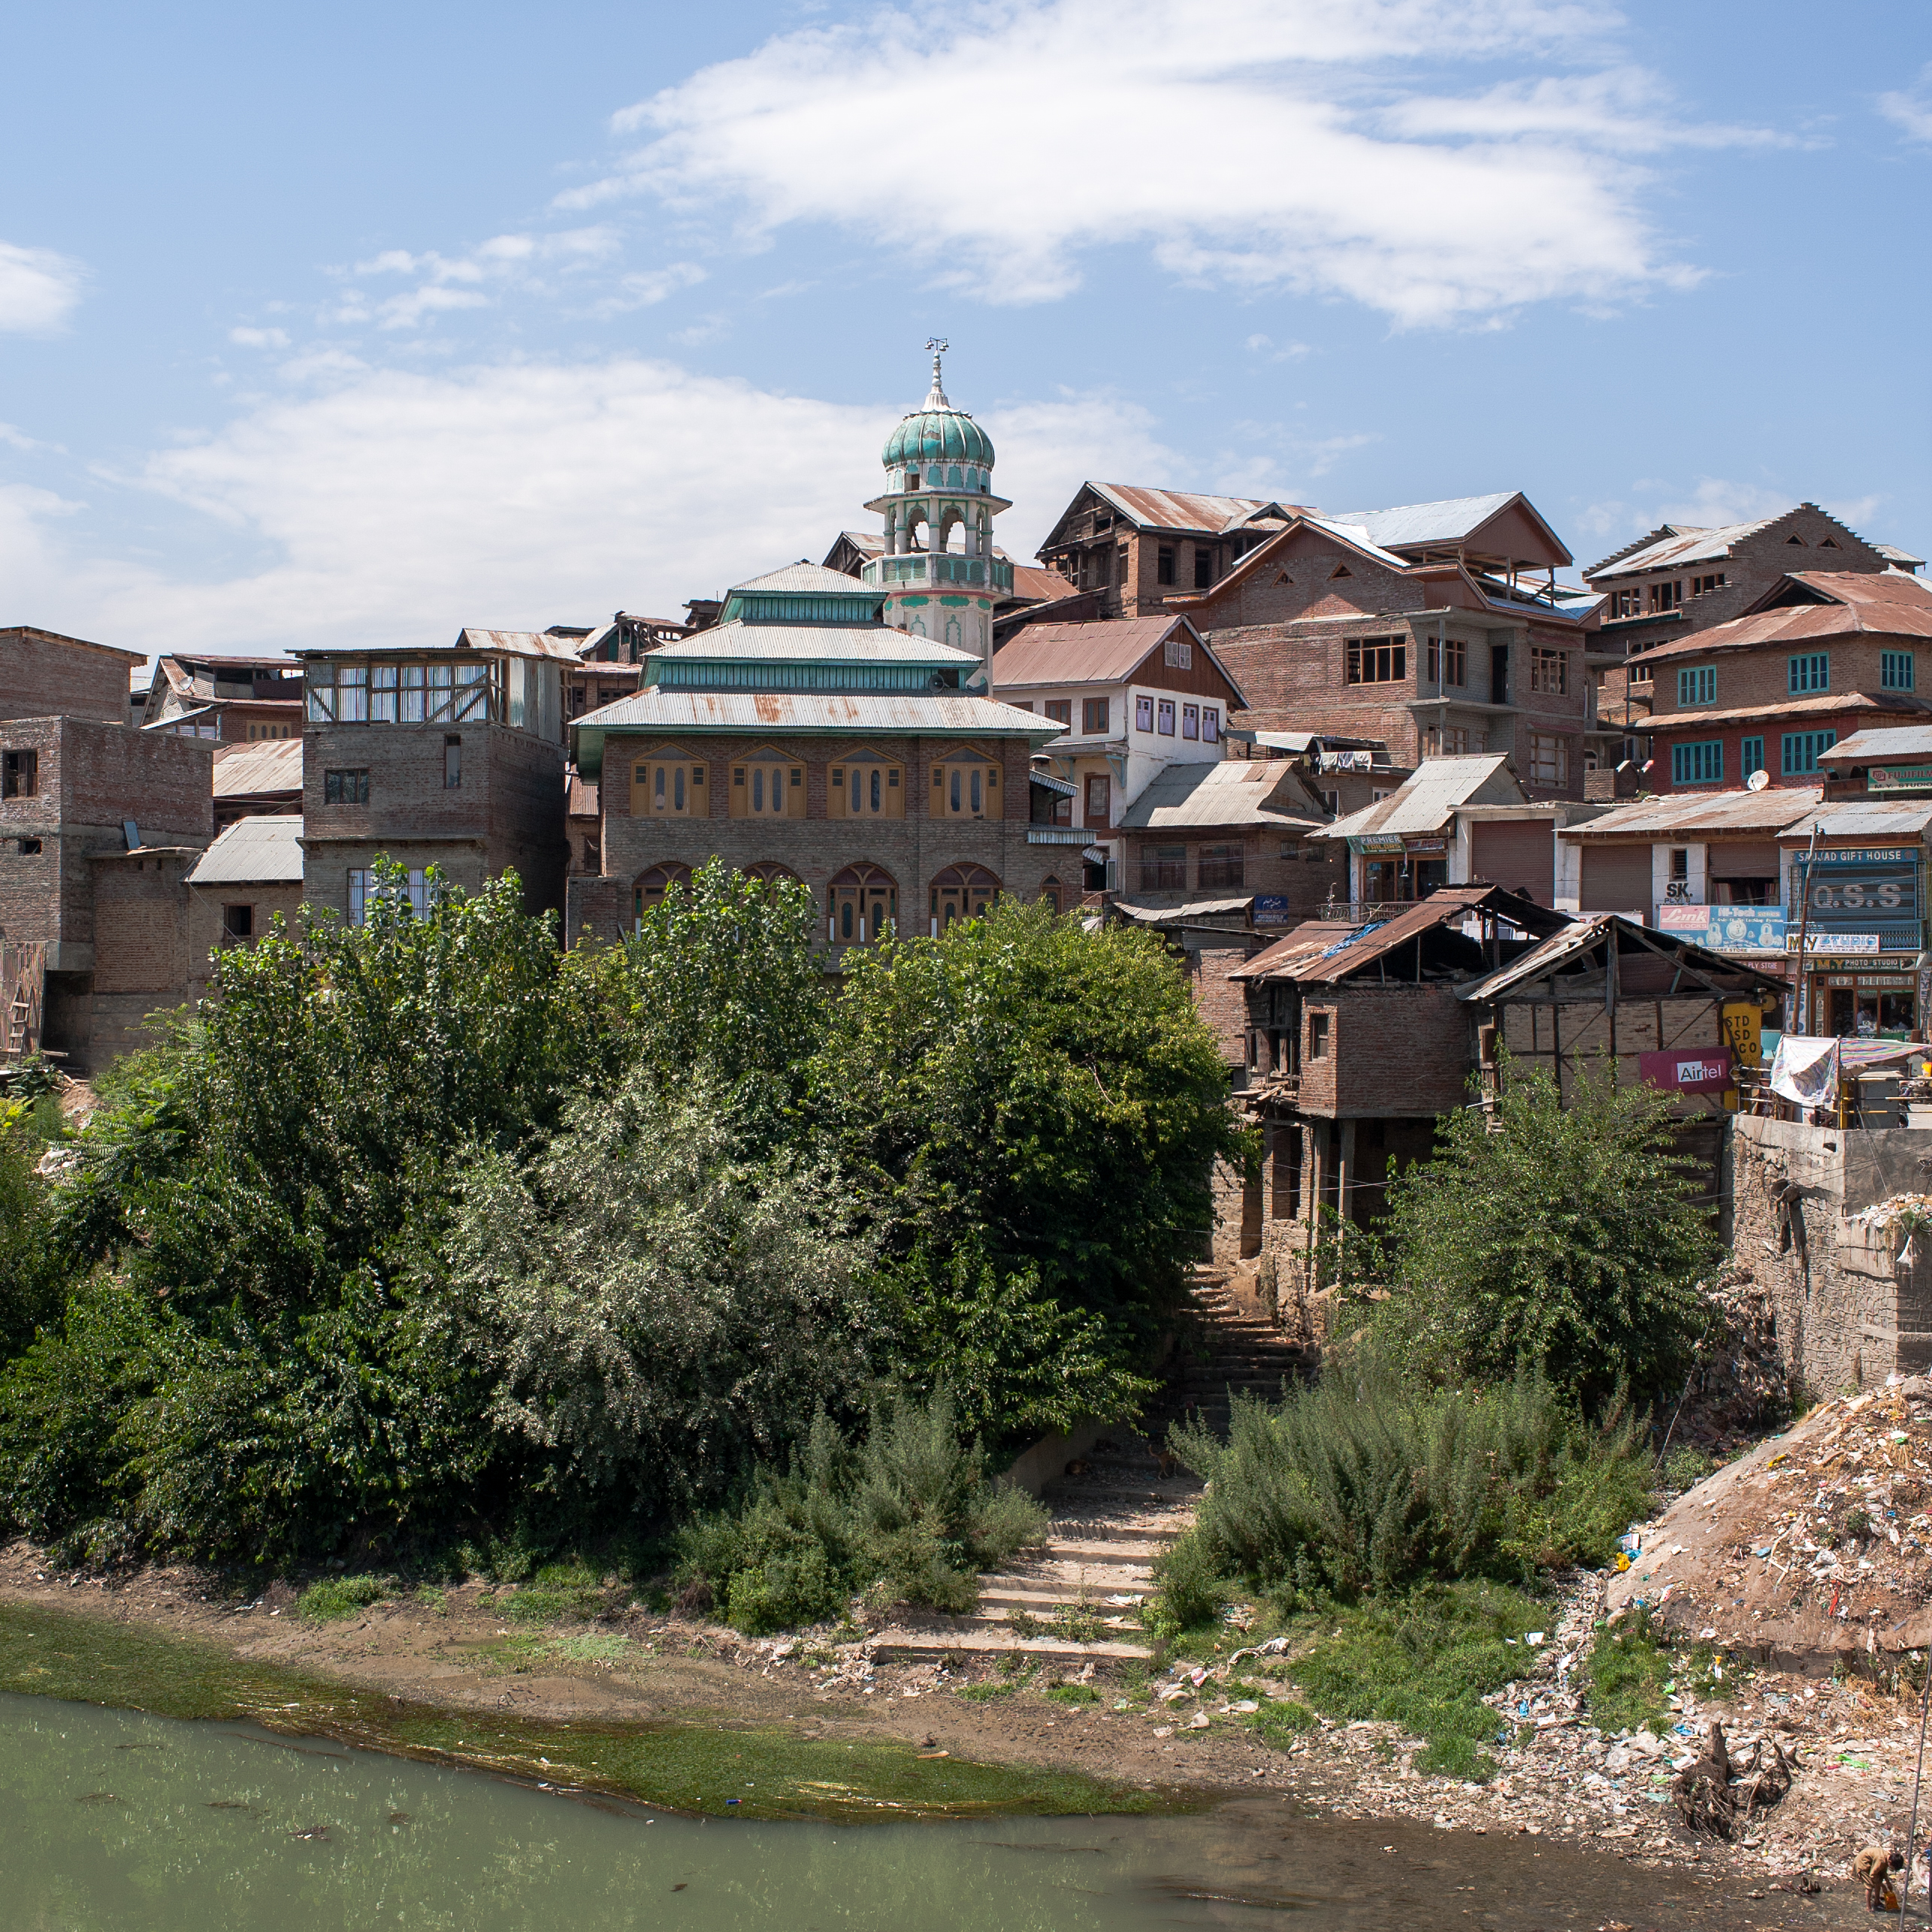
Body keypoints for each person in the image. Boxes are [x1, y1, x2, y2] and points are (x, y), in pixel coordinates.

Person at [1851, 1843, 1903, 1910]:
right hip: (1863, 1863)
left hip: (1871, 1863)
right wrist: (1883, 1886)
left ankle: (1877, 1901)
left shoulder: (1887, 1857)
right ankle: (1868, 1908)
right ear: (1890, 1862)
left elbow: (1883, 1872)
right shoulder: (1881, 1860)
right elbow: (1872, 1875)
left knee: (1879, 1879)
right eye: (1892, 1868)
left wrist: (1888, 1883)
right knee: (1869, 1886)